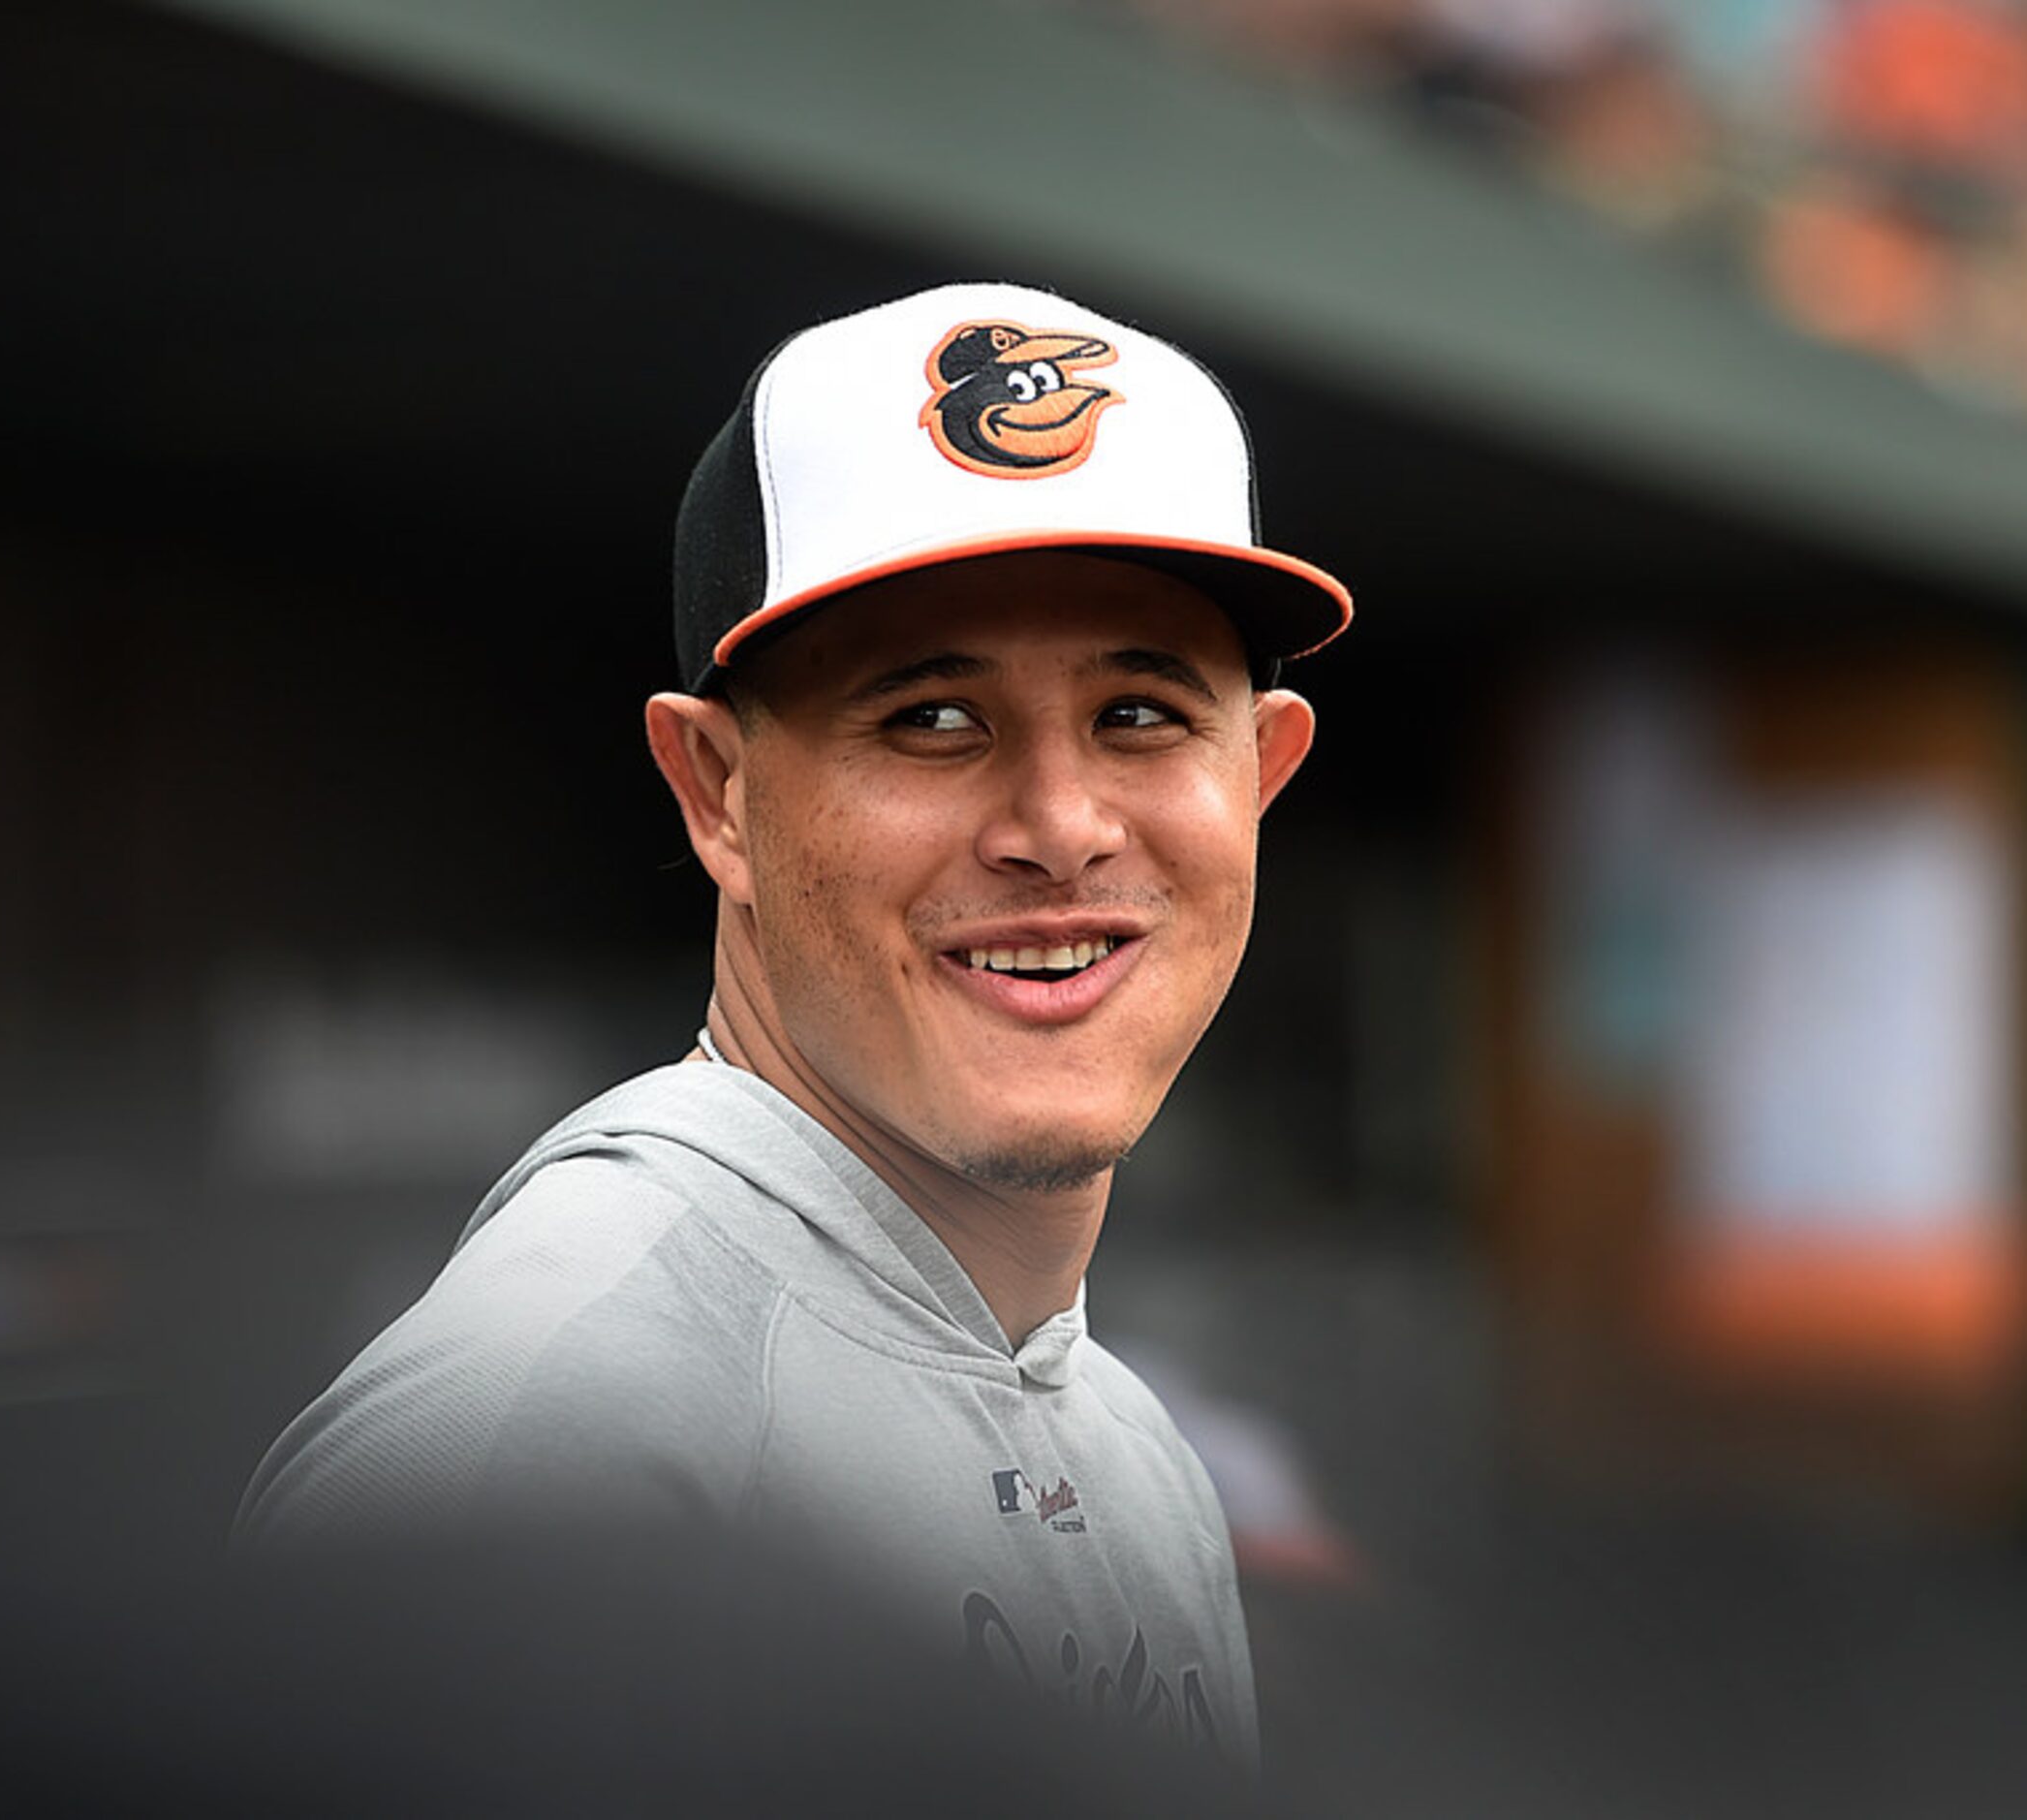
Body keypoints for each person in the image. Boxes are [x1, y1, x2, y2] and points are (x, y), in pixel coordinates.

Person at [233, 281, 1352, 1773]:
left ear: (1261, 777)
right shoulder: (545, 1431)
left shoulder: (1140, 1459)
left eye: (1142, 711)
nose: (1061, 826)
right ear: (717, 794)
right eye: (933, 718)